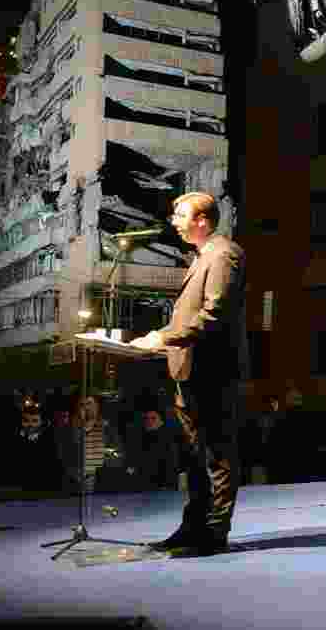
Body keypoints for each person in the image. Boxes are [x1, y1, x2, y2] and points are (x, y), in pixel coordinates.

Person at [132, 191, 249, 556]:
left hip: (213, 372)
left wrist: (163, 337)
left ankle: (214, 533)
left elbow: (214, 314)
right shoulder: (204, 256)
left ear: (202, 220)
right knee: (195, 455)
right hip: (191, 371)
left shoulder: (223, 254)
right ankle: (192, 527)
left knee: (216, 454)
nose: (174, 221)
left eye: (180, 215)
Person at [129, 407, 179, 490]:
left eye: (153, 418)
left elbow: (171, 465)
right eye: (147, 418)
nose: (149, 421)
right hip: (143, 487)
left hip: (163, 488)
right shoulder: (139, 438)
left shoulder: (168, 439)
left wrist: (167, 485)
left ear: (161, 421)